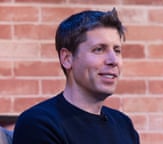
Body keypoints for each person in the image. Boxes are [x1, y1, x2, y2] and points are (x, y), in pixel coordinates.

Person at [12, 8, 140, 144]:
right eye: (99, 49)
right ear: (67, 58)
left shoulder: (123, 125)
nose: (113, 60)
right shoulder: (39, 123)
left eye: (117, 50)